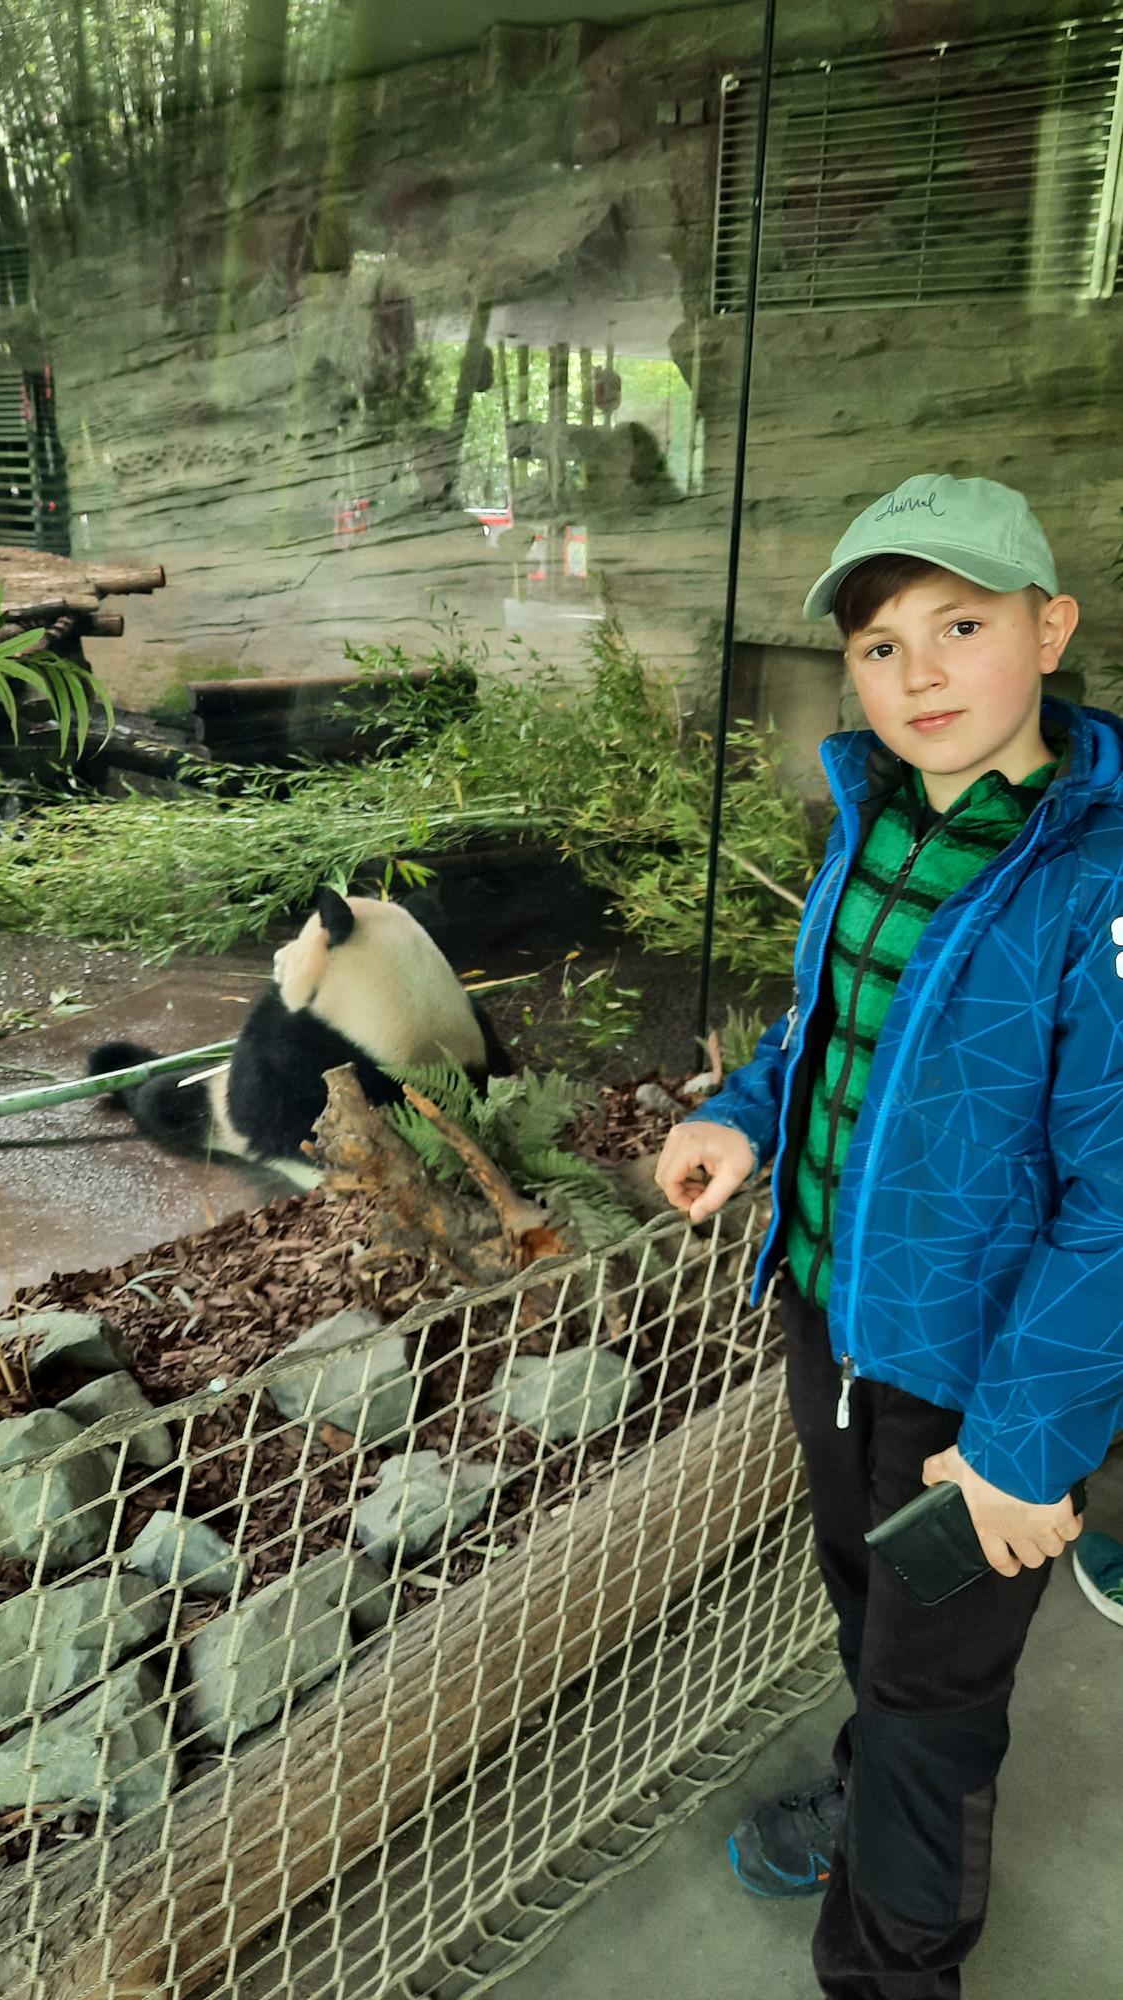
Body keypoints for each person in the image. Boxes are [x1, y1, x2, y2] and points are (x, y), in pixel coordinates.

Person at [655, 472, 1123, 2000]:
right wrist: (743, 1115)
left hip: (974, 1388)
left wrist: (1023, 1448)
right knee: (868, 1614)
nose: (915, 673)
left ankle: (889, 1964)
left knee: (934, 1704)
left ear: (1048, 629)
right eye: (876, 644)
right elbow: (827, 1028)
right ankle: (867, 1807)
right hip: (832, 1318)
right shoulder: (880, 822)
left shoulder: (1095, 878)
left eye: (958, 625)